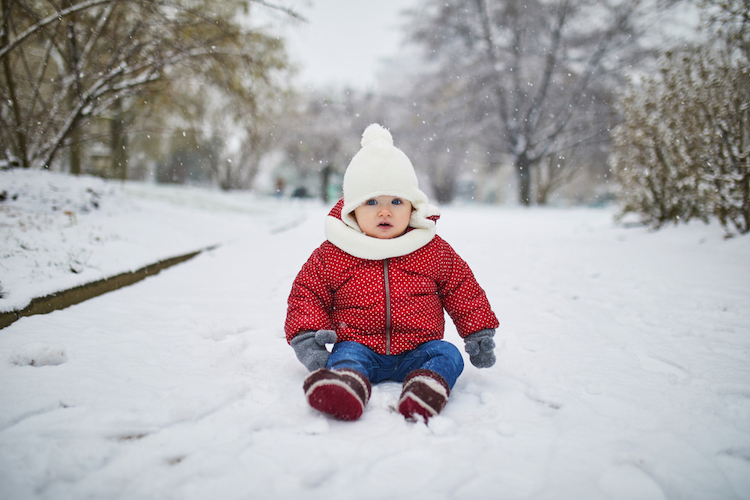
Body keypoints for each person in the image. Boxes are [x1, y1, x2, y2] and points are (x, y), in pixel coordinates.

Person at [285, 124, 499, 422]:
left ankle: (426, 387)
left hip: (419, 349)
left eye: (396, 201)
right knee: (344, 358)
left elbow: (462, 288)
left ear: (412, 206)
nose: (384, 211)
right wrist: (307, 337)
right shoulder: (335, 252)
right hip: (359, 345)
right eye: (371, 202)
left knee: (448, 355)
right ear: (352, 210)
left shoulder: (431, 249)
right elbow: (307, 292)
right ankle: (346, 386)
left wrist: (478, 331)